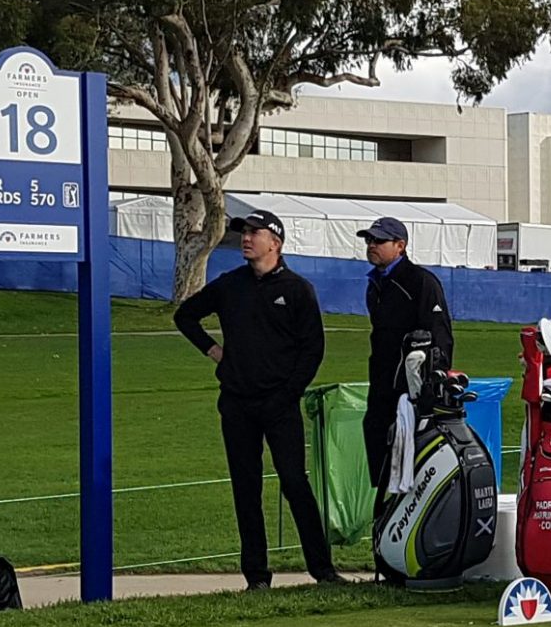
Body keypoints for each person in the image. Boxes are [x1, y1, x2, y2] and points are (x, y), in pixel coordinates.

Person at [174, 209, 346, 589]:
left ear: (276, 242)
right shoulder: (229, 285)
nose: (247, 238)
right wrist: (214, 351)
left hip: (280, 404)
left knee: (293, 483)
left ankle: (323, 570)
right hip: (237, 402)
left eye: (255, 233)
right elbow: (185, 316)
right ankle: (256, 576)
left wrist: (288, 393)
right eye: (244, 233)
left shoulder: (298, 289)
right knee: (245, 487)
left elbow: (312, 349)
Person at [357, 216, 454, 493]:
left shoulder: (421, 282)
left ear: (400, 245)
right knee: (378, 451)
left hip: (412, 394)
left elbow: (441, 337)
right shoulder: (375, 285)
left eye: (378, 240)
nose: (371, 245)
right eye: (369, 240)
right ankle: (386, 524)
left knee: (415, 466)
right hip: (381, 389)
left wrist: (431, 389)